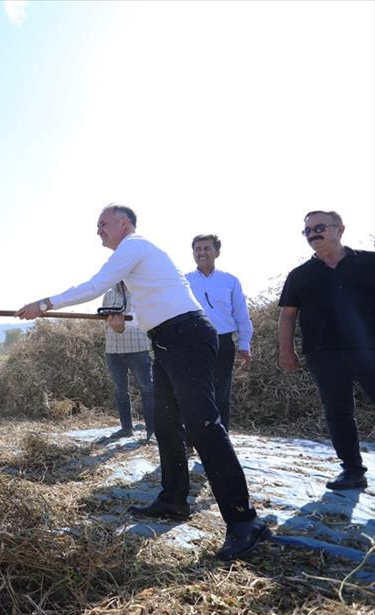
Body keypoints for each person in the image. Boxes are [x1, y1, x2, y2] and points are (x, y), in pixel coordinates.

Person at [16, 204, 269, 561]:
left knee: (203, 427)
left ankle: (245, 522)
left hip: (188, 336)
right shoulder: (139, 262)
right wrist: (124, 325)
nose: (98, 231)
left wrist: (44, 303)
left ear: (124, 223)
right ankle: (173, 500)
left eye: (103, 224)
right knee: (166, 424)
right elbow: (155, 311)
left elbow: (95, 285)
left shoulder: (134, 245)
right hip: (168, 338)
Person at [278, 210, 374, 491]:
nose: (313, 234)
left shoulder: (369, 262)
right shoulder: (300, 275)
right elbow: (287, 316)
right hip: (323, 352)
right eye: (307, 230)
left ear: (340, 229)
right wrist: (287, 351)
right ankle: (353, 471)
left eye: (319, 227)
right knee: (338, 411)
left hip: (369, 348)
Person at [185, 234, 253, 430]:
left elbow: (241, 313)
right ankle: (191, 440)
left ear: (217, 252)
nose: (202, 253)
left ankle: (221, 438)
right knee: (191, 391)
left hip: (222, 342)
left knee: (220, 391)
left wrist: (244, 344)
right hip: (192, 342)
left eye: (206, 248)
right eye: (197, 249)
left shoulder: (230, 281)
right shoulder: (184, 281)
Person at [101, 284, 154, 440]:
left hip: (138, 347)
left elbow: (145, 320)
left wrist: (123, 325)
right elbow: (106, 321)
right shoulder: (108, 294)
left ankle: (152, 431)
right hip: (113, 349)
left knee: (147, 390)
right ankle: (126, 428)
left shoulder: (141, 291)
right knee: (120, 391)